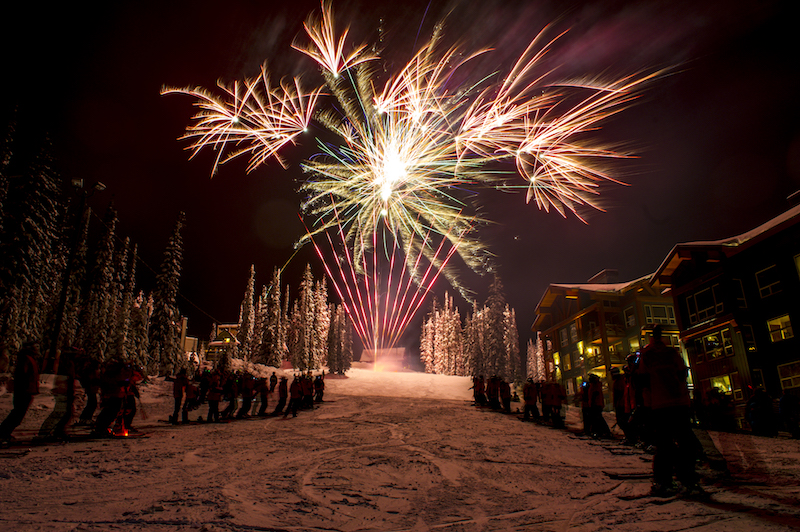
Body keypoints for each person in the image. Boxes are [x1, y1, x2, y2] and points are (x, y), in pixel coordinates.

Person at [635, 324, 701, 497]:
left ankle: (665, 481)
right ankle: (686, 480)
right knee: (683, 444)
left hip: (661, 404)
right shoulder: (671, 353)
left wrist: (647, 405)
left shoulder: (647, 355)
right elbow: (682, 374)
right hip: (677, 403)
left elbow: (642, 381)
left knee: (666, 445)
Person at [0, 342, 41, 444]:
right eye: (35, 347)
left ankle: (4, 433)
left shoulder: (29, 358)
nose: (37, 349)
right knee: (17, 414)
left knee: (18, 414)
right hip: (24, 390)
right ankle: (2, 433)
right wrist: (25, 387)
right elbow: (22, 374)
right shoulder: (26, 358)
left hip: (27, 390)